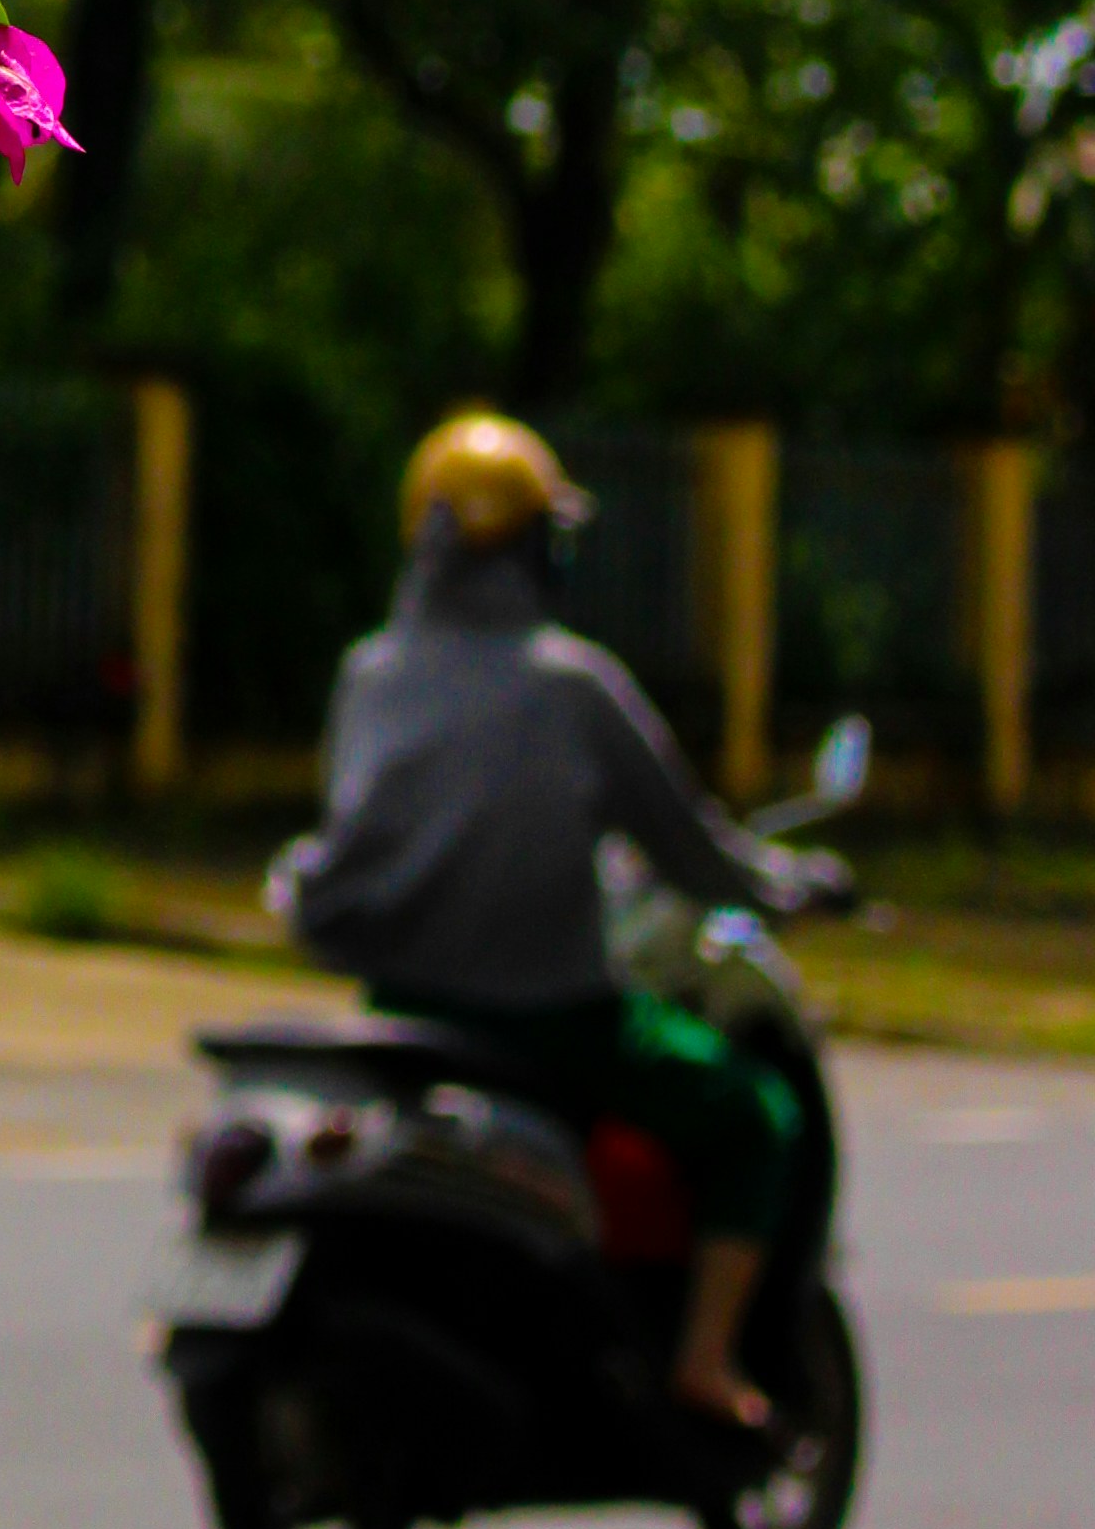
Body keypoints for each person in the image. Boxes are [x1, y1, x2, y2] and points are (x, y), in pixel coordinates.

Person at [269, 408, 846, 1428]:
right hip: (553, 1025)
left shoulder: (371, 674)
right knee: (755, 1114)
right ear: (537, 547)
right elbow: (691, 848)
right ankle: (705, 1360)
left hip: (404, 1019)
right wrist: (787, 888)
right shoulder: (570, 684)